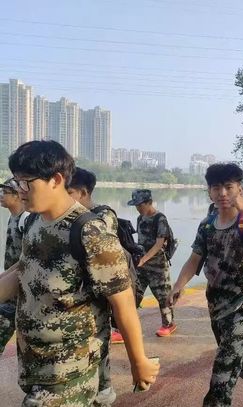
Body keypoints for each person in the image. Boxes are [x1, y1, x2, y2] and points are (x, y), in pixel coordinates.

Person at [0, 140, 159, 406]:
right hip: (37, 362)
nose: (20, 191)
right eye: (17, 182)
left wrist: (138, 361)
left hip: (71, 366)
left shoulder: (90, 233)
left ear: (56, 180)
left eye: (26, 183)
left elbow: (122, 301)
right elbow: (22, 269)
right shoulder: (35, 221)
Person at [168, 163, 243, 407]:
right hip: (217, 303)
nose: (223, 193)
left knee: (223, 367)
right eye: (216, 188)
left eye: (229, 187)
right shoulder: (207, 224)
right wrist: (178, 285)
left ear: (239, 189)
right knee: (237, 357)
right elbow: (194, 259)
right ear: (209, 192)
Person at [67, 167, 121, 406]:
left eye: (68, 193)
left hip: (97, 302)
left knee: (99, 355)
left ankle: (103, 394)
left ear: (83, 192)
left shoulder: (101, 218)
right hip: (76, 305)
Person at [129, 189, 176, 337]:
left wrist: (144, 259)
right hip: (141, 265)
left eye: (140, 205)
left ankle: (168, 324)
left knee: (163, 297)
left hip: (158, 266)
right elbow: (140, 242)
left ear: (149, 202)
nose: (138, 208)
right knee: (133, 294)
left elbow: (159, 244)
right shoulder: (140, 219)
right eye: (136, 205)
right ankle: (124, 327)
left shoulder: (160, 219)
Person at [0, 178, 28, 355]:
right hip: (11, 287)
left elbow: (27, 259)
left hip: (19, 290)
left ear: (18, 195)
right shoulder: (14, 217)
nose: (1, 195)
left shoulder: (25, 219)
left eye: (5, 192)